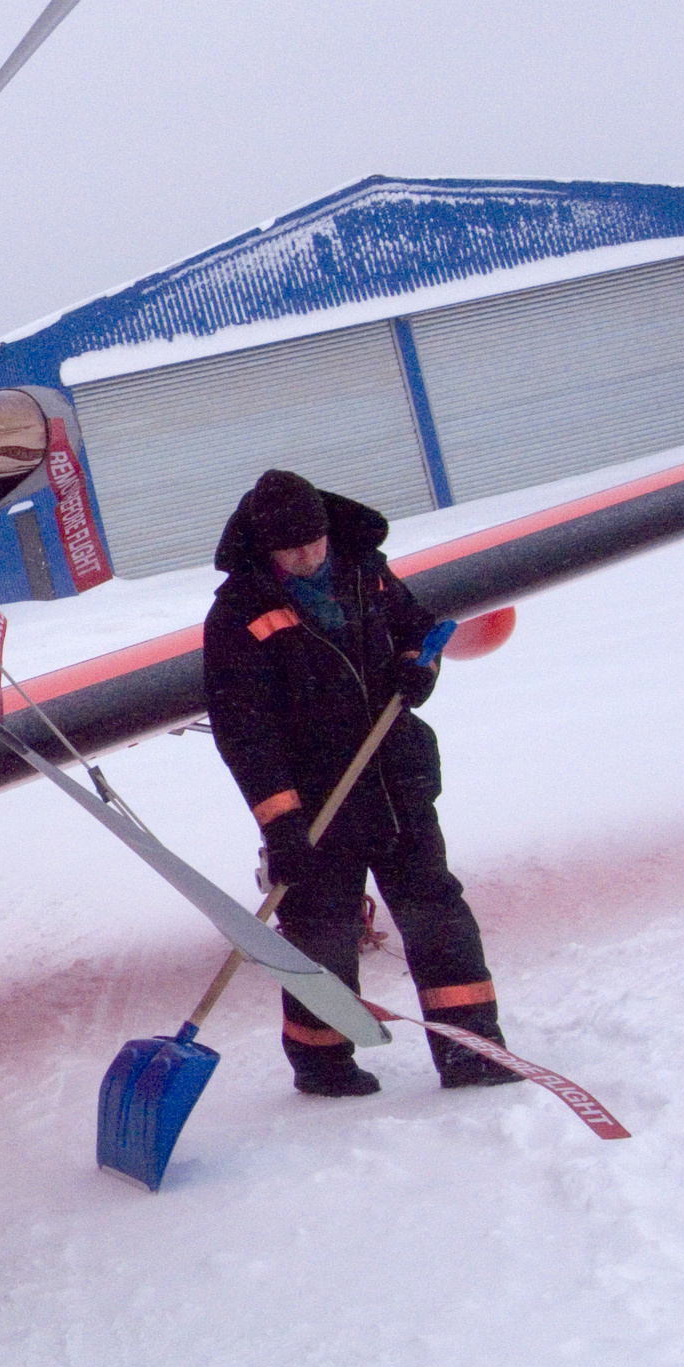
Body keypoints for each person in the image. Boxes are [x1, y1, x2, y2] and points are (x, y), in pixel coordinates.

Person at [202, 468, 516, 1097]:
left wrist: (418, 668)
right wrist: (281, 823)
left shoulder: (365, 571)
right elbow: (245, 733)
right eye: (292, 549)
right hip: (316, 806)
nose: (308, 556)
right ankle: (322, 1063)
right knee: (322, 937)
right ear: (266, 548)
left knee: (437, 916)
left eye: (314, 541)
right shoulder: (240, 614)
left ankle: (471, 1050)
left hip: (395, 782)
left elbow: (418, 629)